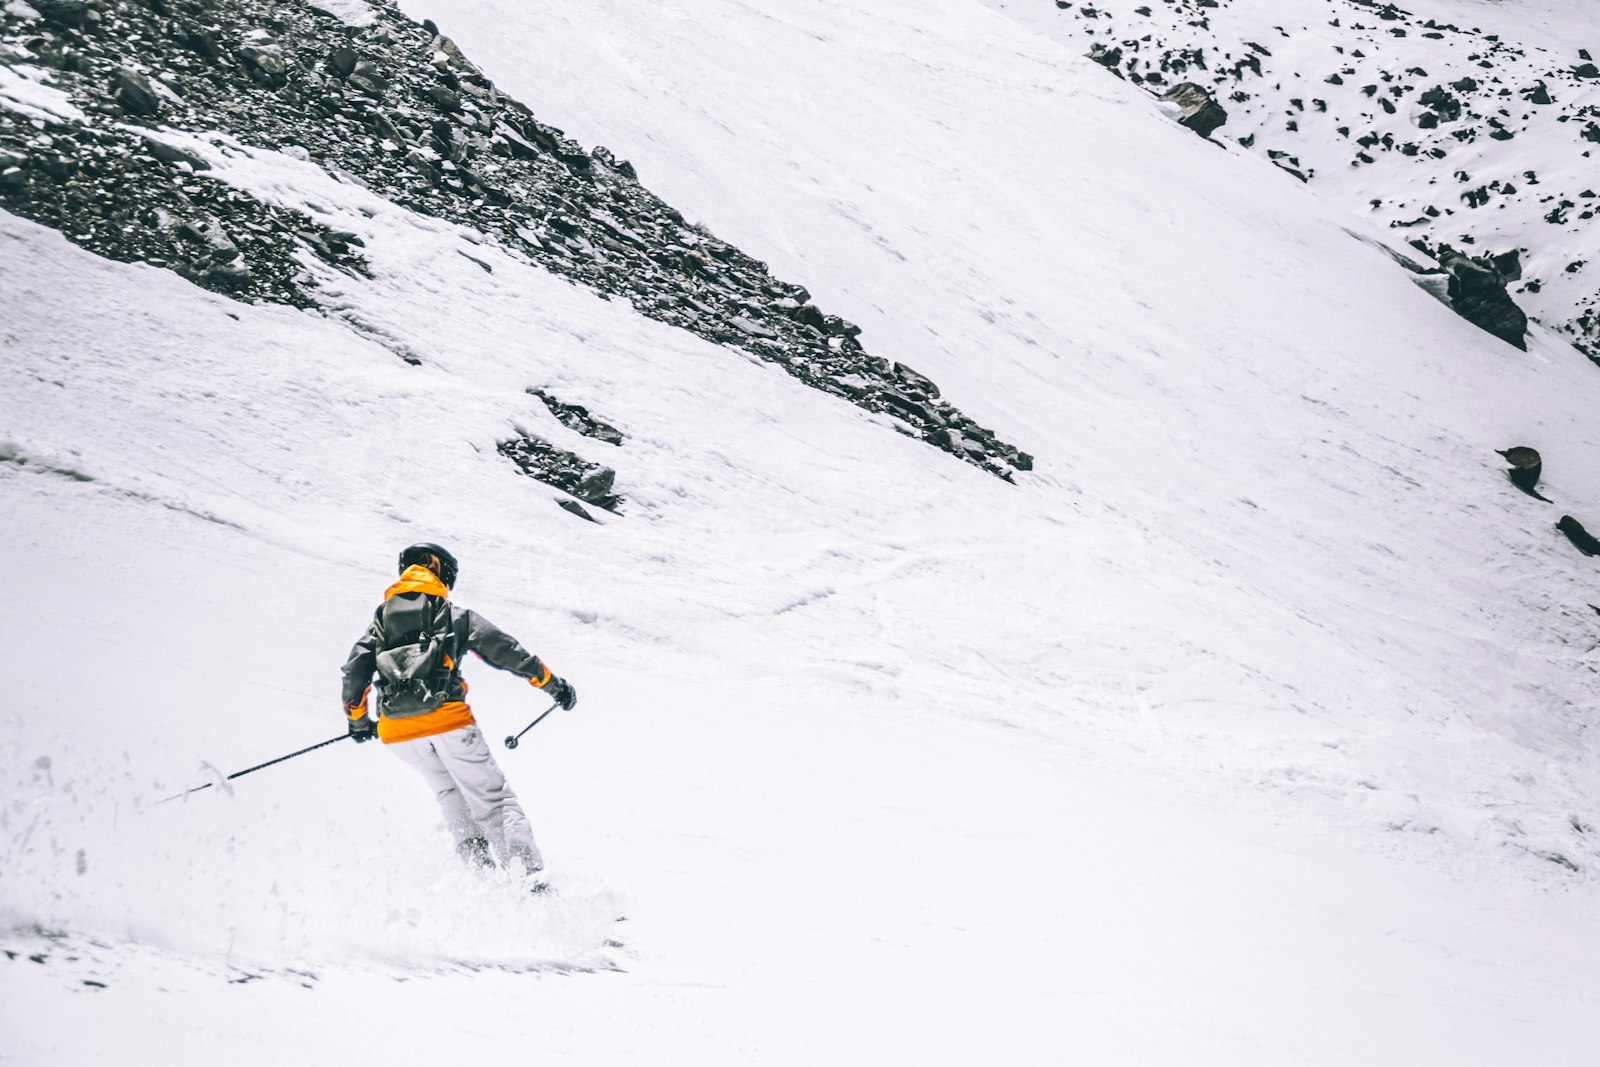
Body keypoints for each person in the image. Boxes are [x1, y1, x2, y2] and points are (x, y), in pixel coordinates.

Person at [340, 543, 577, 879]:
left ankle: (481, 887)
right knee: (495, 803)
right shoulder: (452, 615)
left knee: (451, 796)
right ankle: (532, 889)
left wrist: (359, 722)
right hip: (449, 722)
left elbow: (354, 674)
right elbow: (505, 650)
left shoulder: (379, 622)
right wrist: (553, 685)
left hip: (398, 734)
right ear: (439, 571)